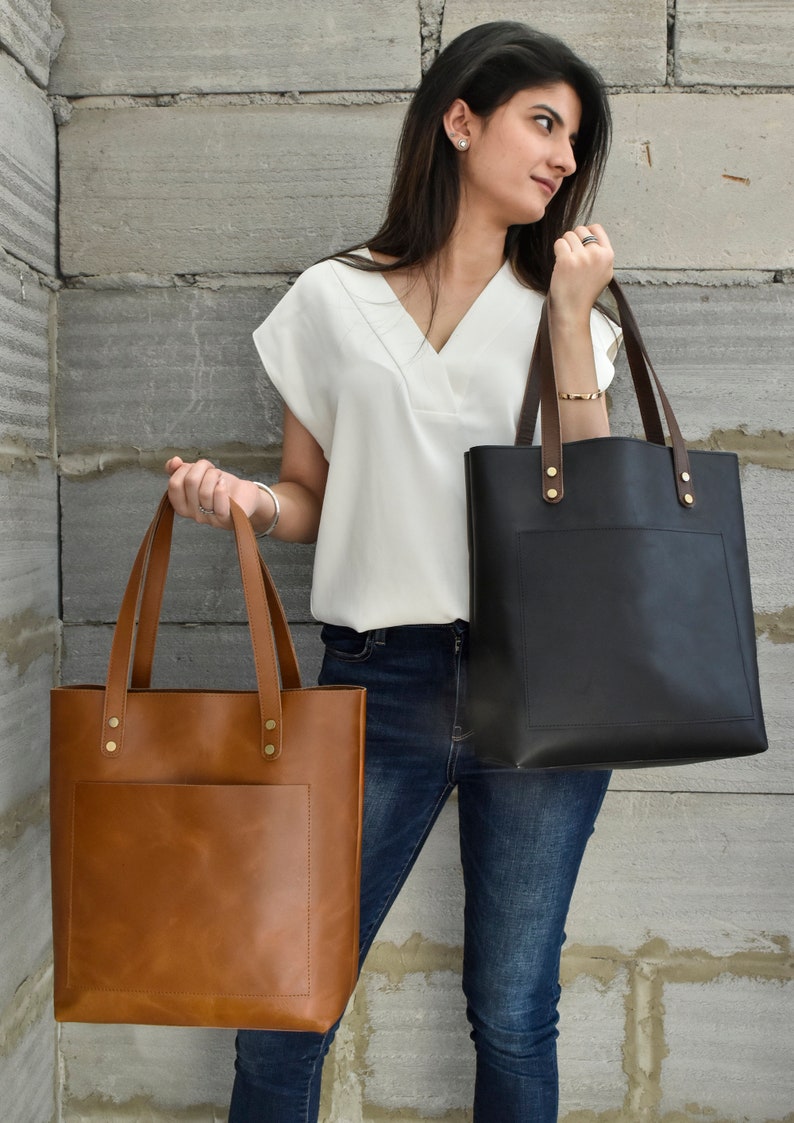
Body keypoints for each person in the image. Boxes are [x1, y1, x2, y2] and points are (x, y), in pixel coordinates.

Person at [166, 20, 621, 1122]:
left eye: (574, 139)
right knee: (289, 995)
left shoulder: (566, 317)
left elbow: (595, 505)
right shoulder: (332, 299)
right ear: (460, 121)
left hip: (541, 690)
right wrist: (248, 504)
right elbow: (310, 495)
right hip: (378, 683)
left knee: (513, 1007)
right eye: (541, 121)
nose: (562, 157)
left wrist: (567, 319)